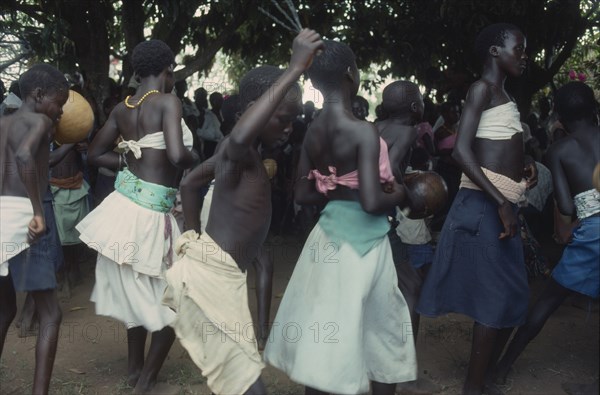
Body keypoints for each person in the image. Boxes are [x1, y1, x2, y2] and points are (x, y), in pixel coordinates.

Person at [162, 29, 322, 395]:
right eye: (282, 117)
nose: (289, 127)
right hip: (212, 279)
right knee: (249, 385)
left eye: (293, 118)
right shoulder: (239, 151)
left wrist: (190, 235)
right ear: (253, 112)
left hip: (219, 276)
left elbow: (188, 185)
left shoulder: (233, 156)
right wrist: (296, 67)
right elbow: (237, 139)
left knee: (241, 380)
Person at [264, 39, 417, 395]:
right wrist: (403, 193)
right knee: (383, 327)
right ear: (351, 74)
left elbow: (302, 193)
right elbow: (370, 200)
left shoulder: (313, 131)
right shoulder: (363, 130)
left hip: (327, 237)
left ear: (314, 82)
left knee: (324, 328)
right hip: (363, 246)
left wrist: (332, 185)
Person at [416, 23, 536, 395]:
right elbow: (461, 151)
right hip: (485, 206)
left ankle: (479, 380)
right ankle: (474, 386)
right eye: (519, 48)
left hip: (499, 203)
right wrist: (501, 201)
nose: (525, 55)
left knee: (511, 294)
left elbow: (495, 148)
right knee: (494, 297)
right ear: (495, 52)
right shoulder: (482, 89)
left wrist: (523, 167)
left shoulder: (503, 94)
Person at [76, 39, 198, 394]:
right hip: (149, 215)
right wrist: (202, 159)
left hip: (124, 208)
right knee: (176, 297)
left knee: (138, 290)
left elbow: (95, 155)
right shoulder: (167, 102)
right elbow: (177, 155)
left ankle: (134, 369)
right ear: (168, 70)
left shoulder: (121, 108)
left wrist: (129, 164)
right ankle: (145, 381)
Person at [492, 81, 599, 394]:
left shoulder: (560, 150)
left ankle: (501, 369)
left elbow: (565, 205)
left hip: (592, 231)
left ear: (559, 119)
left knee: (548, 301)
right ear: (594, 110)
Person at [0, 64, 69, 395]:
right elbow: (26, 156)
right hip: (24, 217)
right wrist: (38, 211)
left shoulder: (2, 123)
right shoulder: (39, 120)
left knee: (5, 308)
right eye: (60, 103)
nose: (61, 112)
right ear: (39, 96)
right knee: (50, 313)